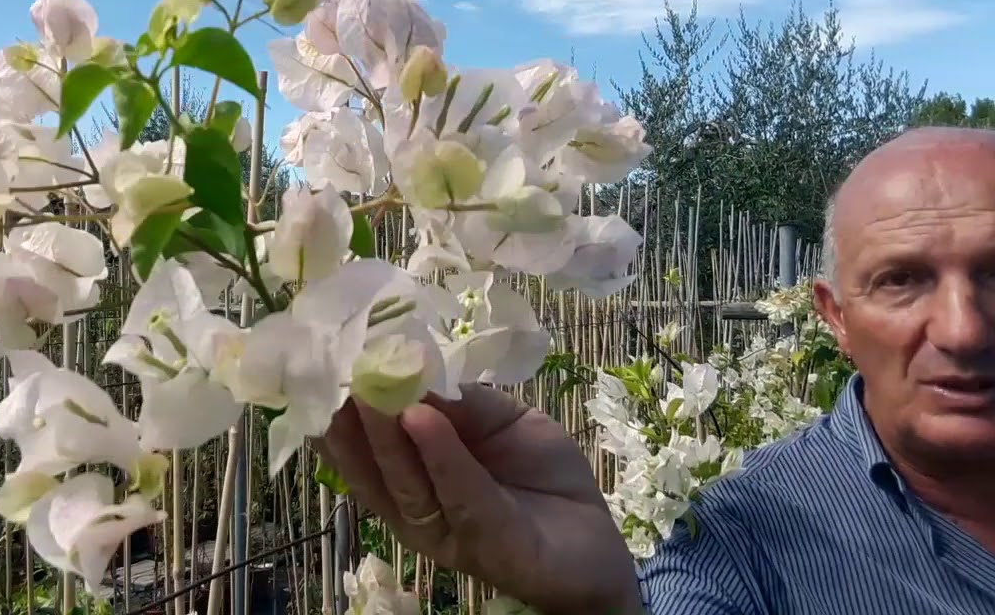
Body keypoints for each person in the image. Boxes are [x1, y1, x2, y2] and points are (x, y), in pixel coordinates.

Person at [319, 126, 995, 614]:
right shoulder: (742, 542)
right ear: (835, 319)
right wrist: (610, 604)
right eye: (902, 280)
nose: (964, 330)